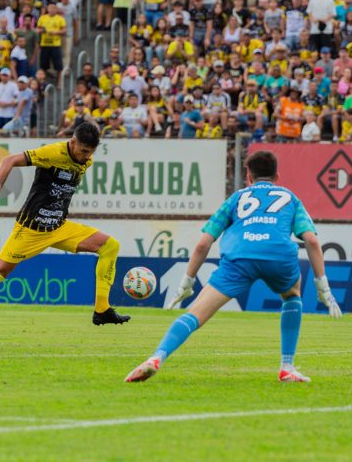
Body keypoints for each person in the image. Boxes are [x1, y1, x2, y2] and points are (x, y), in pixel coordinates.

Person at [125, 150, 341, 384]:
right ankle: (287, 366)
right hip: (278, 257)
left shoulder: (236, 198)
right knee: (291, 295)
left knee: (196, 313)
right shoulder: (290, 198)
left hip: (239, 258)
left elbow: (203, 244)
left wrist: (187, 282)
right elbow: (311, 241)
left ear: (248, 176)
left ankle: (156, 357)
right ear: (277, 176)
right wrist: (323, 287)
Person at [0, 123, 130, 344]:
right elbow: (9, 161)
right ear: (72, 142)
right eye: (83, 151)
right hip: (30, 229)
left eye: (90, 152)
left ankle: (101, 310)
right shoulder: (52, 153)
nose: (86, 157)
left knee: (110, 246)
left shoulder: (85, 161)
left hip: (58, 227)